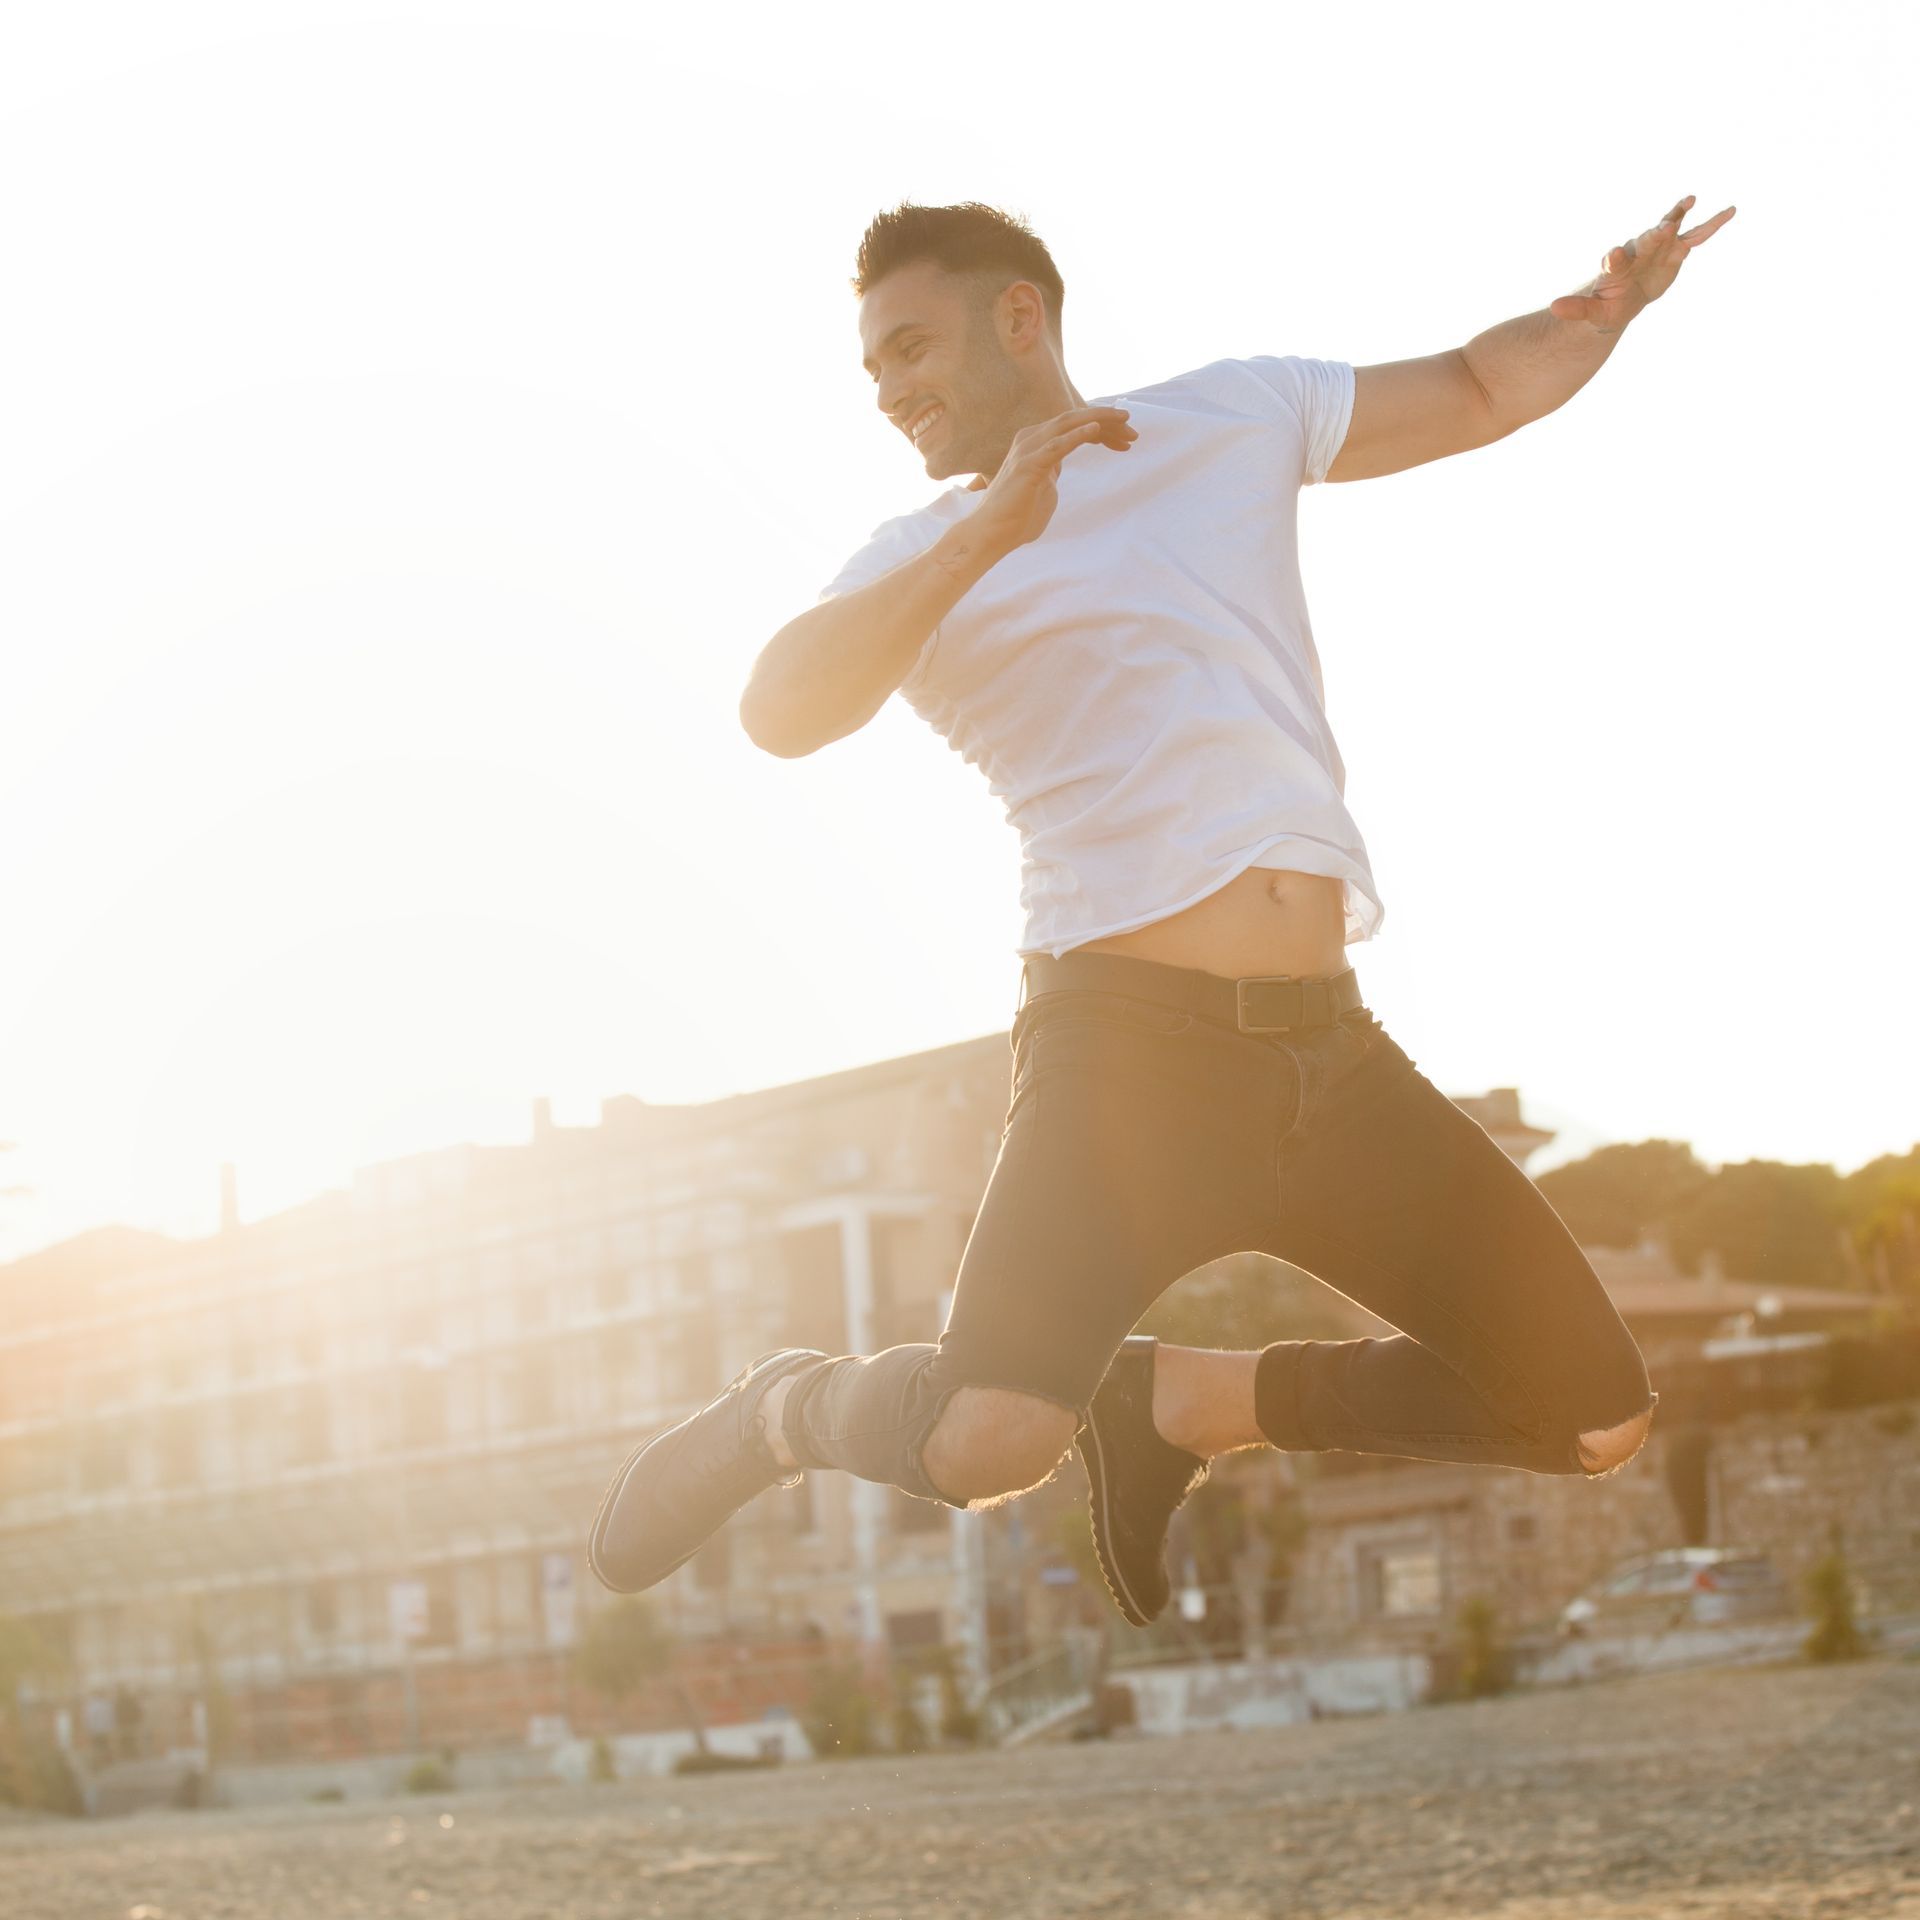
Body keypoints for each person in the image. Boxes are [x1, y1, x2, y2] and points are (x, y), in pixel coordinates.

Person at [588, 194, 1735, 1625]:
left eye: (912, 346)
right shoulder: (920, 551)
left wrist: (1598, 314)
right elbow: (781, 709)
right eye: (873, 367)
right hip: (1127, 1059)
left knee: (1589, 1419)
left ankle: (1189, 1402)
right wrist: (984, 536)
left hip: (1332, 1059)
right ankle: (785, 1412)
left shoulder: (1232, 418)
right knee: (988, 1443)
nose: (890, 390)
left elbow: (1486, 385)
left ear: (1023, 318)